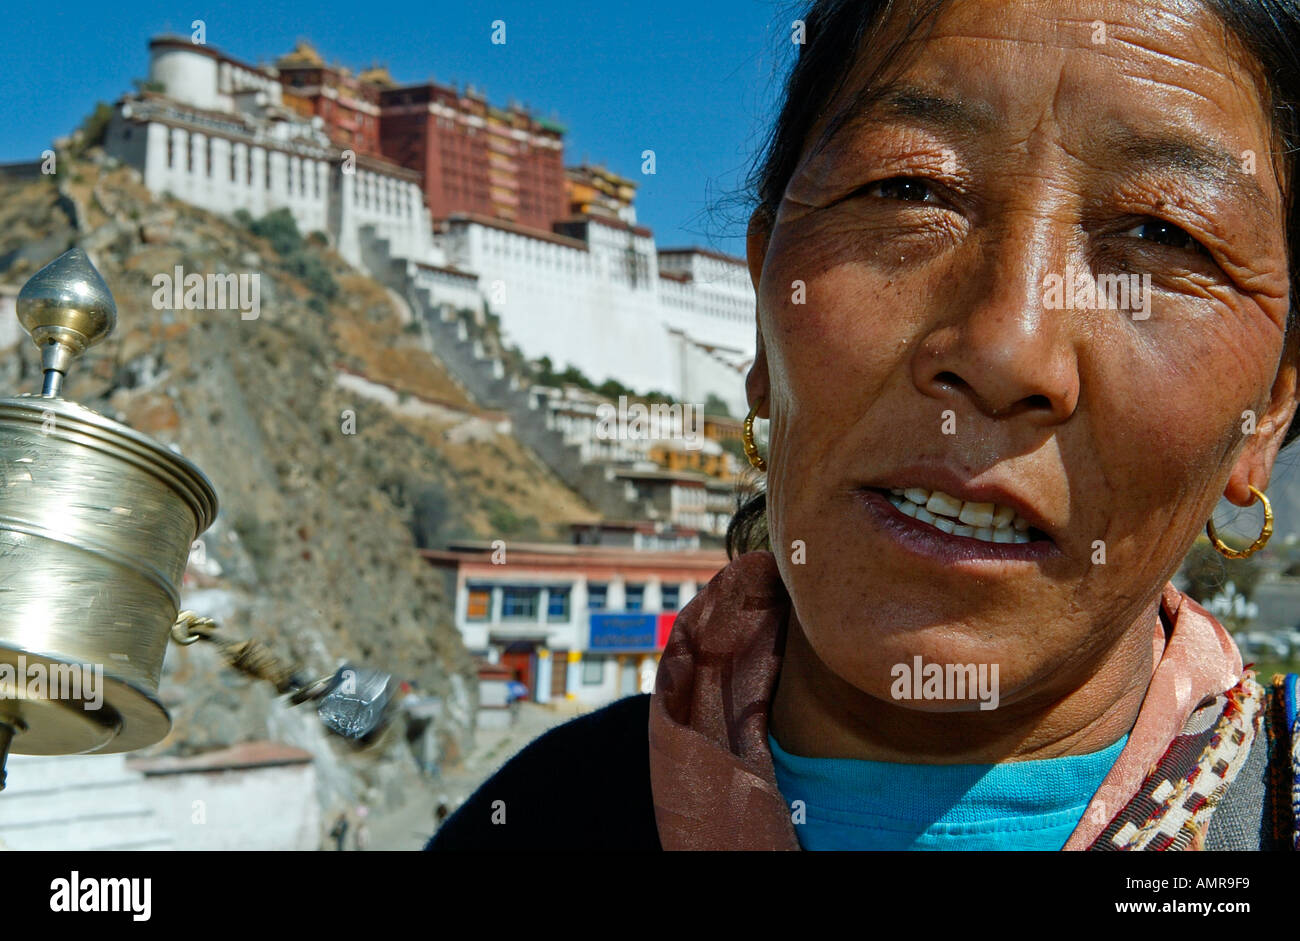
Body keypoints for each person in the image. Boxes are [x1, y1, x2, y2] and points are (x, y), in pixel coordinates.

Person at [428, 0, 1300, 851]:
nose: (1006, 348)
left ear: (1271, 410)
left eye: (1162, 234)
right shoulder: (535, 819)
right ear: (767, 313)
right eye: (909, 186)